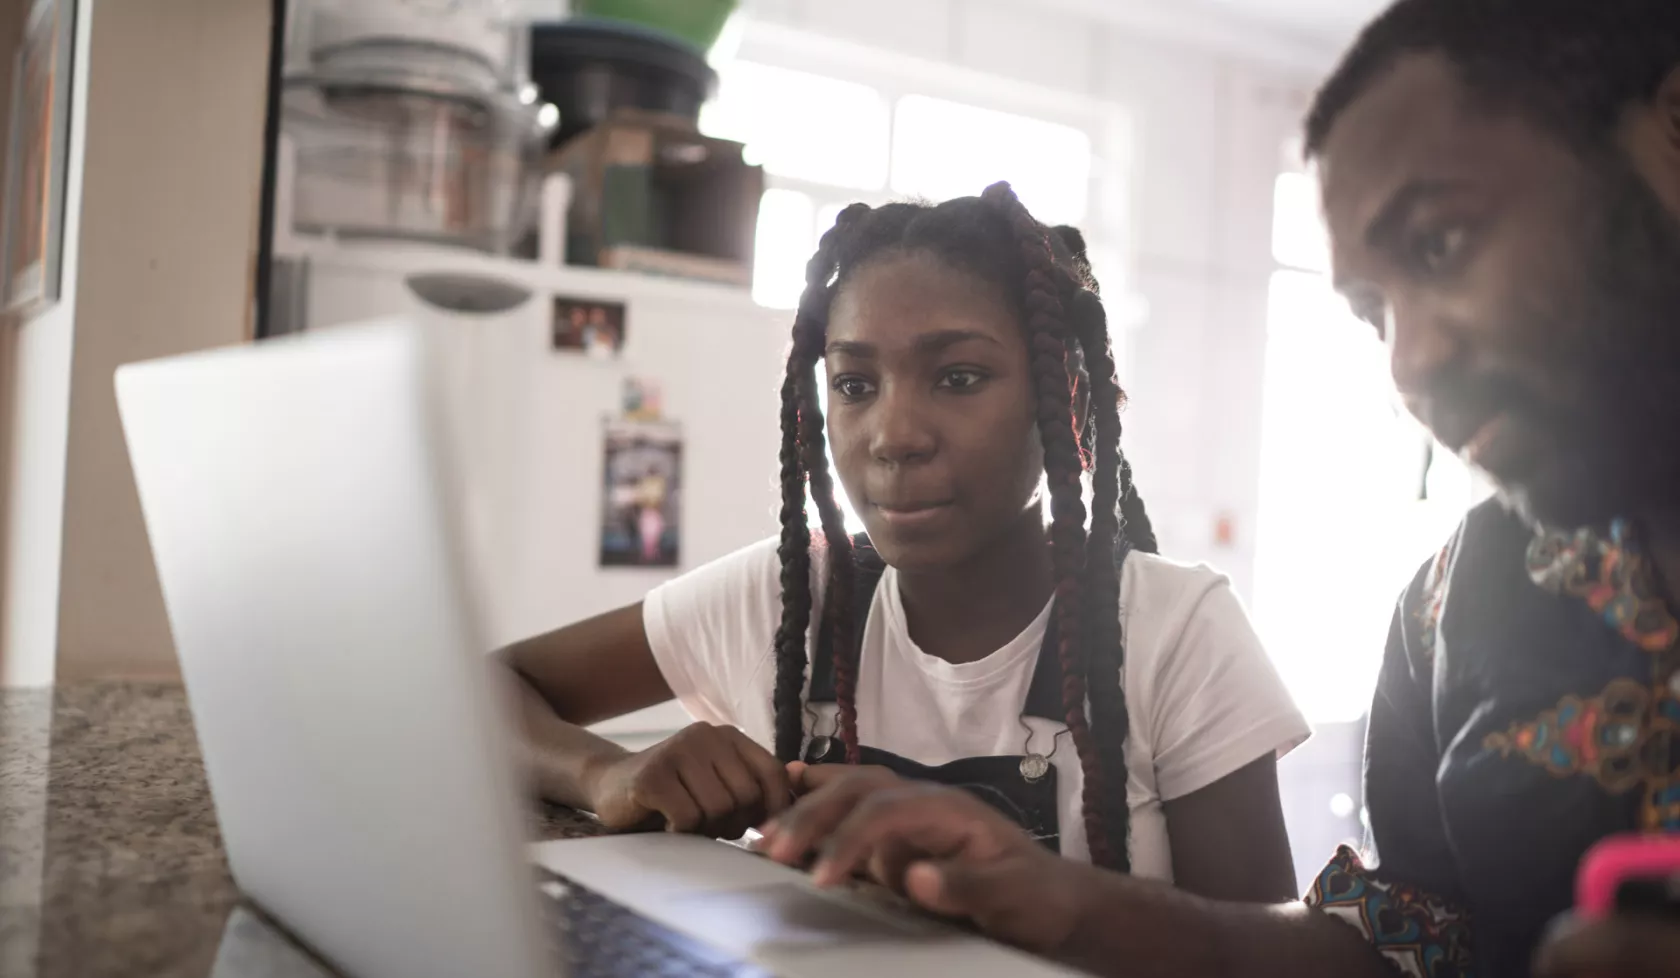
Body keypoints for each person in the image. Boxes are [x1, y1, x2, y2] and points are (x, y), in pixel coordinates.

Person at [754, 2, 1680, 976]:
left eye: (1439, 244)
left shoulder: (1186, 623)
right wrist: (1063, 902)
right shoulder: (1453, 607)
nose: (1411, 363)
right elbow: (1408, 945)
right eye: (1373, 314)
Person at [501, 183, 1311, 896]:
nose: (893, 435)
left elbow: (1254, 958)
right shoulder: (792, 600)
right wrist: (605, 771)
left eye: (958, 378)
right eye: (855, 385)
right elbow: (484, 688)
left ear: (1060, 400)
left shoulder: (1176, 633)